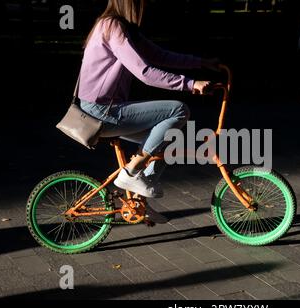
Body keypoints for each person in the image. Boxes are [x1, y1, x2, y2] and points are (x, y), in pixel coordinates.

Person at [78, 0, 219, 198]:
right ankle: (131, 171)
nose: (145, 6)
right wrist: (189, 84)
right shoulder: (112, 26)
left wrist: (200, 63)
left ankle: (140, 201)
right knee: (178, 110)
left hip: (106, 107)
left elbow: (160, 56)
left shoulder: (125, 29)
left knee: (168, 139)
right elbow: (144, 72)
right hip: (100, 110)